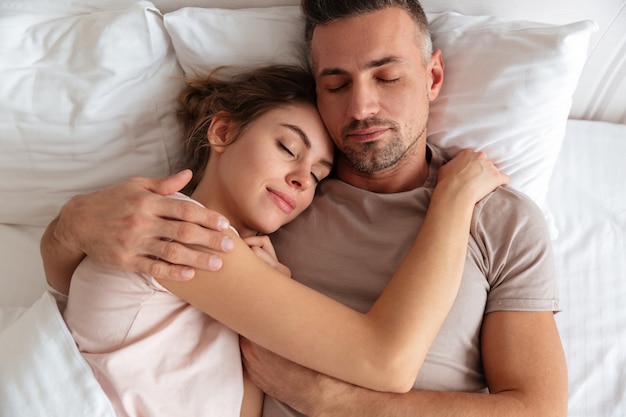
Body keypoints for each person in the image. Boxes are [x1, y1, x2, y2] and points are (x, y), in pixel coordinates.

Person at [41, 1, 568, 417]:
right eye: (336, 84)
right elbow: (97, 298)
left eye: (387, 77)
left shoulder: (501, 218)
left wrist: (336, 402)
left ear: (432, 77)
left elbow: (540, 409)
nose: (361, 107)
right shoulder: (254, 217)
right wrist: (69, 227)